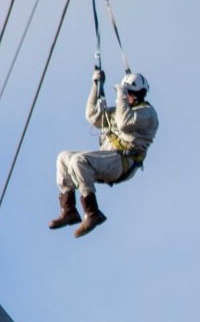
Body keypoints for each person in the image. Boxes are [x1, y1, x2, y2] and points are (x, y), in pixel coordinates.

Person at [49, 69, 158, 238]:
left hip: (122, 163)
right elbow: (92, 115)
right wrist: (96, 85)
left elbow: (123, 124)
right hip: (108, 159)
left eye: (130, 94)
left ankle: (92, 213)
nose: (128, 97)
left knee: (79, 161)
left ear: (139, 95)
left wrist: (120, 93)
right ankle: (68, 210)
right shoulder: (121, 110)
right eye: (127, 94)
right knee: (64, 157)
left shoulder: (147, 114)